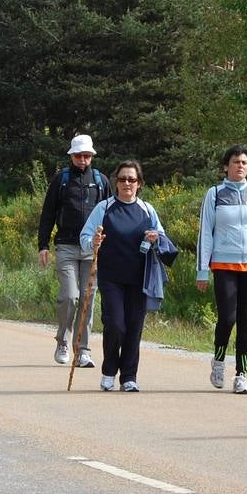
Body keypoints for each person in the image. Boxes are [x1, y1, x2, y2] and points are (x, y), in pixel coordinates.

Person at [80, 160, 168, 393]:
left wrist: (154, 238)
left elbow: (162, 237)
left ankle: (129, 376)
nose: (127, 183)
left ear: (139, 183)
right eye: (122, 179)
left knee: (134, 326)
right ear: (115, 182)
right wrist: (93, 242)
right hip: (111, 277)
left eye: (132, 179)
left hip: (140, 277)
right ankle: (109, 371)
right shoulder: (104, 208)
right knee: (115, 324)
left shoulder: (147, 210)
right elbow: (85, 237)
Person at [196, 146, 247, 395]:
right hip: (223, 265)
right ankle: (219, 361)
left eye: (244, 162)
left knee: (246, 320)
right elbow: (205, 233)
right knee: (227, 318)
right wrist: (202, 270)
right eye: (235, 162)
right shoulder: (215, 194)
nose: (240, 166)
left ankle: (242, 375)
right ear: (225, 166)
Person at [37, 134, 110, 368]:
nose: (83, 160)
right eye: (79, 155)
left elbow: (111, 215)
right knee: (70, 296)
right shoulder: (62, 179)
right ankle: (63, 340)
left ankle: (83, 350)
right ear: (71, 156)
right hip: (66, 246)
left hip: (93, 249)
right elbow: (48, 213)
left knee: (88, 299)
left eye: (87, 155)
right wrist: (43, 246)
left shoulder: (101, 181)